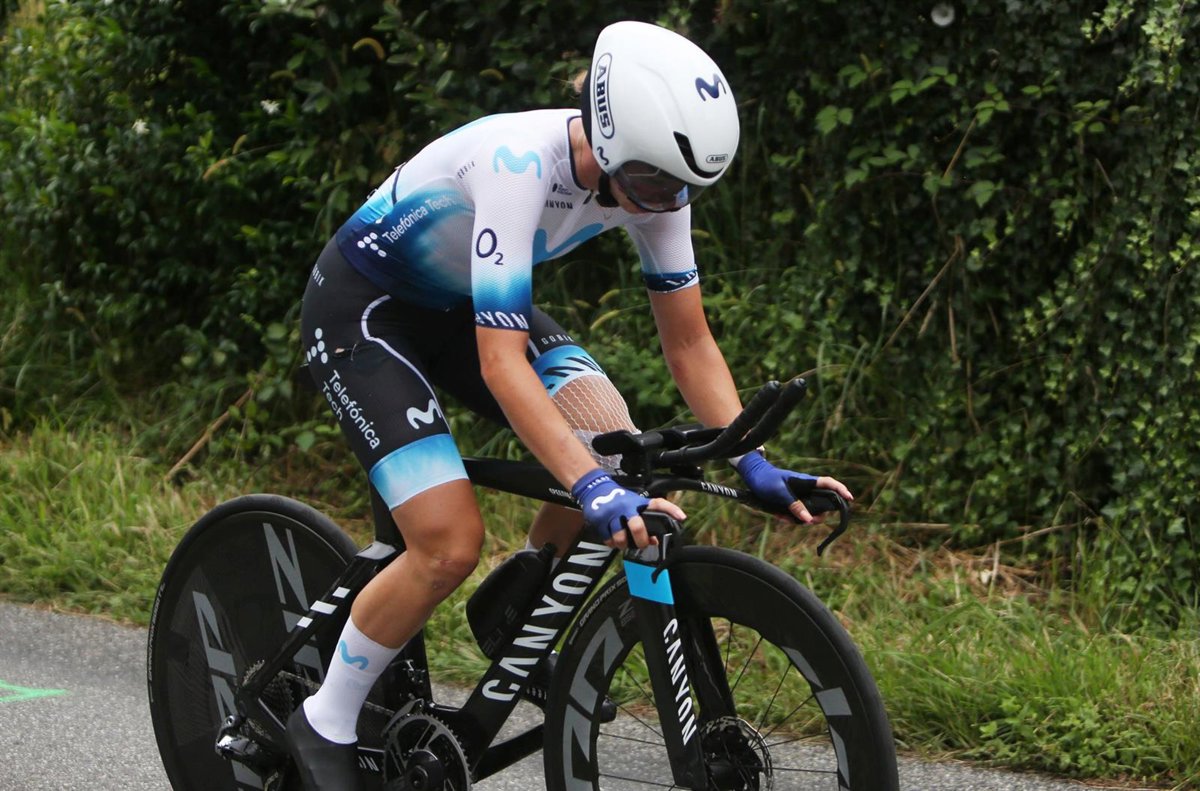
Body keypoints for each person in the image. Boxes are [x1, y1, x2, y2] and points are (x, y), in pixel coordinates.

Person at [286, 19, 854, 790]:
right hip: (367, 312)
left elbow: (689, 343)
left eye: (683, 189)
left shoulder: (656, 179)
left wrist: (751, 459)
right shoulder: (519, 163)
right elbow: (501, 363)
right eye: (653, 185)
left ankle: (518, 601)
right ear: (609, 141)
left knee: (612, 437)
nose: (665, 203)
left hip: (462, 300)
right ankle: (324, 717)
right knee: (448, 541)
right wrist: (588, 486)